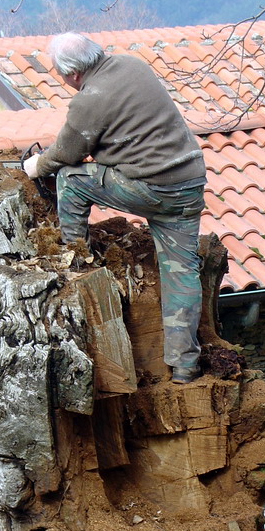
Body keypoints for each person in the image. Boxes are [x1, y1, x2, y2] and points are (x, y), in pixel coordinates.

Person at [23, 32, 207, 384]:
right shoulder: (132, 65)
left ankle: (75, 255)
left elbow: (67, 154)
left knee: (71, 179)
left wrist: (35, 166)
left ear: (72, 74)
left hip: (151, 186)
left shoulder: (89, 99)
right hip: (188, 183)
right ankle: (185, 365)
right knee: (182, 273)